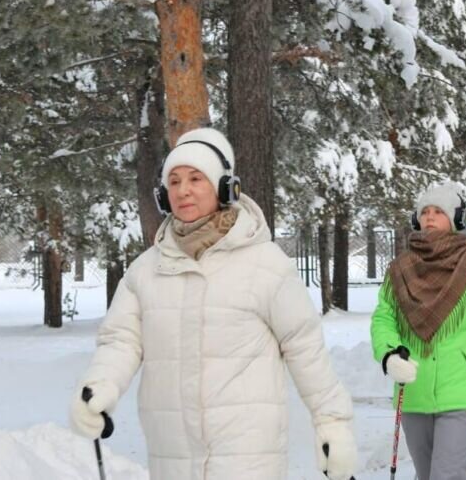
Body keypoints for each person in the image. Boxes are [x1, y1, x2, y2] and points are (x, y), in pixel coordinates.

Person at [68, 128, 357, 480]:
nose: (182, 190)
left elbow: (305, 347)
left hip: (247, 457)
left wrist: (332, 422)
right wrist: (100, 387)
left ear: (224, 188)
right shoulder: (145, 271)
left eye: (195, 178)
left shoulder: (266, 264)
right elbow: (121, 341)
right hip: (171, 456)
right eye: (173, 182)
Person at [371, 182, 466, 480]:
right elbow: (383, 318)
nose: (429, 217)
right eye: (425, 211)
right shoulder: (400, 268)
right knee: (426, 474)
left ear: (455, 220)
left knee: (448, 475)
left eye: (438, 212)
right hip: (413, 388)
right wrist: (389, 353)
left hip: (463, 390)